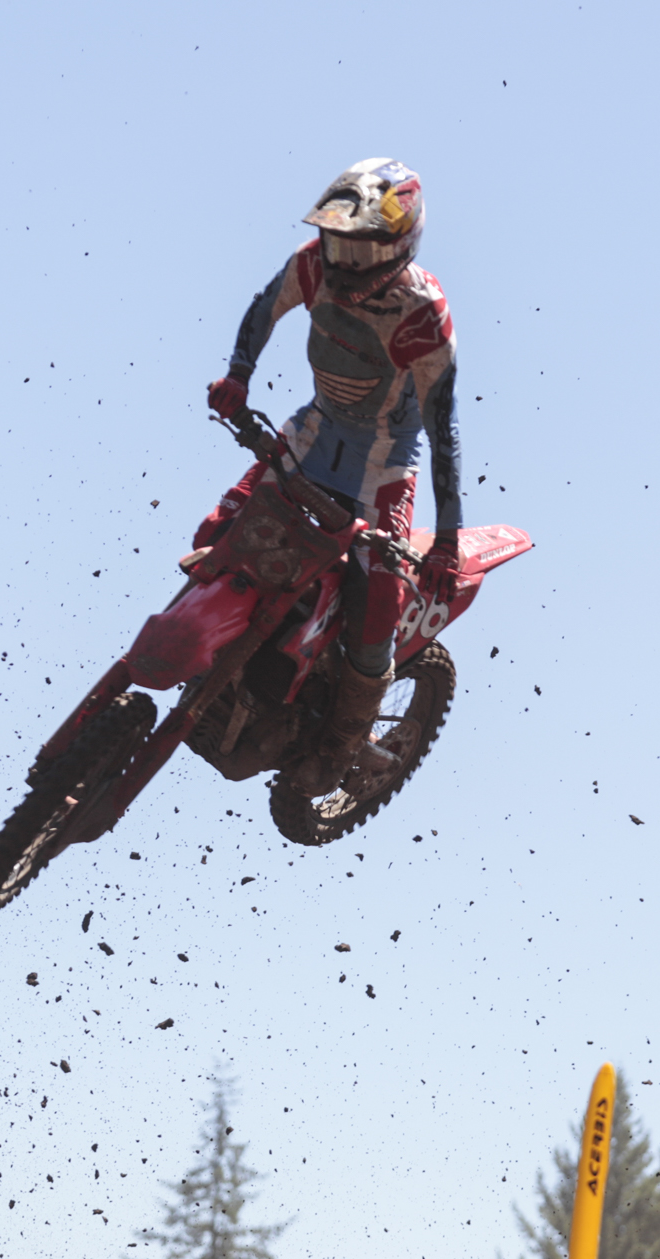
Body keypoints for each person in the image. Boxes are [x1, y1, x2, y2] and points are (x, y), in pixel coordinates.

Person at [194, 157, 466, 796]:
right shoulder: (312, 263)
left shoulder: (423, 316)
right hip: (311, 434)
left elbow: (444, 431)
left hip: (383, 469)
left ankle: (343, 744)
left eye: (355, 246)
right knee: (215, 531)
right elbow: (265, 311)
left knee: (379, 603)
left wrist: (448, 541)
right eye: (334, 239)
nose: (339, 258)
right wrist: (238, 376)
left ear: (396, 247)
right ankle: (220, 653)